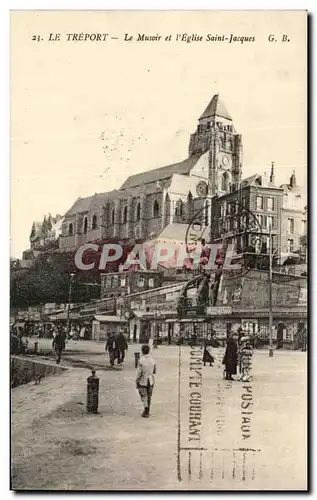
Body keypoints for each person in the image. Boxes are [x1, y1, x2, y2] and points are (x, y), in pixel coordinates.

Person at [136, 344, 156, 418]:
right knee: (149, 396)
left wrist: (137, 380)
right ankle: (147, 410)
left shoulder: (141, 361)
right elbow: (154, 371)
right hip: (150, 379)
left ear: (142, 351)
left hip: (143, 379)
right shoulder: (152, 360)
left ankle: (146, 410)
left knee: (144, 395)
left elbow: (139, 372)